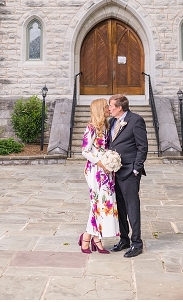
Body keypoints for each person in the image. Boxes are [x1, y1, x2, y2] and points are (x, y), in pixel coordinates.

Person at [107, 94, 148, 258]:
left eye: (111, 106)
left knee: (132, 207)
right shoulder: (112, 122)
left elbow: (142, 147)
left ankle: (137, 243)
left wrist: (136, 169)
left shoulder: (136, 120)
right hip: (114, 172)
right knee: (120, 208)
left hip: (130, 172)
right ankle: (124, 239)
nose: (109, 108)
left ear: (119, 107)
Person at [80, 98, 119, 254]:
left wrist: (110, 162)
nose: (109, 109)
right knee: (97, 204)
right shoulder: (91, 128)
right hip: (95, 170)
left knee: (104, 204)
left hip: (106, 171)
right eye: (105, 107)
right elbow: (85, 150)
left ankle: (93, 238)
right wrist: (100, 162)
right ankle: (89, 239)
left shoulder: (106, 126)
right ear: (99, 109)